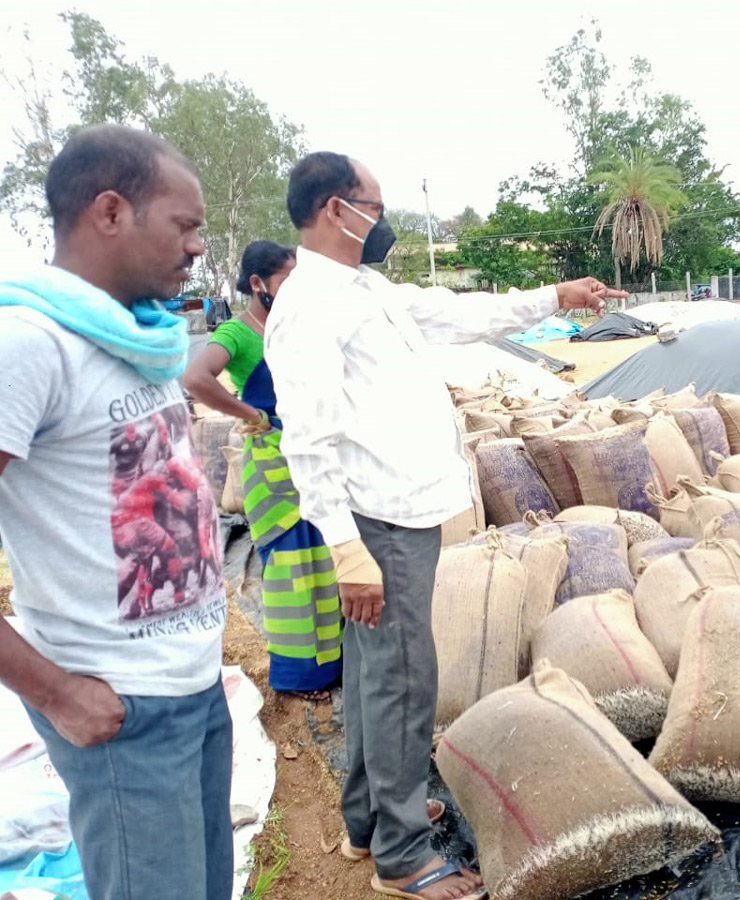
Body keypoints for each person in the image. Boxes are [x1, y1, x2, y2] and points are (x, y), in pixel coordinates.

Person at [264, 150, 626, 900]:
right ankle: (402, 855)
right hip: (377, 523)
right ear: (338, 208)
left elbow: (464, 316)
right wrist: (346, 549)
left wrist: (554, 293)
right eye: (375, 203)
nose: (384, 218)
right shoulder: (309, 307)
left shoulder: (366, 289)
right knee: (402, 680)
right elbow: (307, 438)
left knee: (374, 676)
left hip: (401, 512)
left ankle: (372, 816)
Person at [0, 124, 231, 899]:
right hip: (120, 708)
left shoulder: (139, 337)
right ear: (109, 212)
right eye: (186, 224)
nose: (198, 246)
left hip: (190, 688)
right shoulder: (28, 345)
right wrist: (54, 692)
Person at [183, 240, 344, 701]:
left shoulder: (294, 328)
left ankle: (329, 664)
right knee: (291, 568)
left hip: (308, 457)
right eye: (287, 281)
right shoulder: (238, 332)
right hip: (272, 464)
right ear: (258, 284)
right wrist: (249, 414)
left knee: (322, 560)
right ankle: (298, 678)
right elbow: (195, 379)